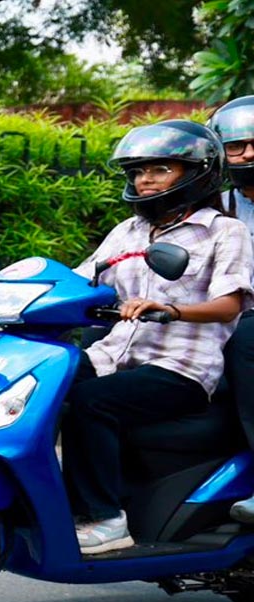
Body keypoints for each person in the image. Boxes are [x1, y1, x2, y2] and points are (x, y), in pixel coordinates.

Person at [65, 120, 253, 554]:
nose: (144, 180)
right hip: (114, 355)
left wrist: (171, 309)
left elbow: (230, 304)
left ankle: (105, 518)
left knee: (93, 404)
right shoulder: (127, 231)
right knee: (46, 382)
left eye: (159, 169)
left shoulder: (224, 231)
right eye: (137, 171)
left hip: (181, 369)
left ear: (196, 173)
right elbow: (82, 280)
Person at [209, 96, 254, 524]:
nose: (249, 154)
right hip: (224, 313)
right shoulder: (216, 206)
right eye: (238, 146)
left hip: (247, 323)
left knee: (245, 339)